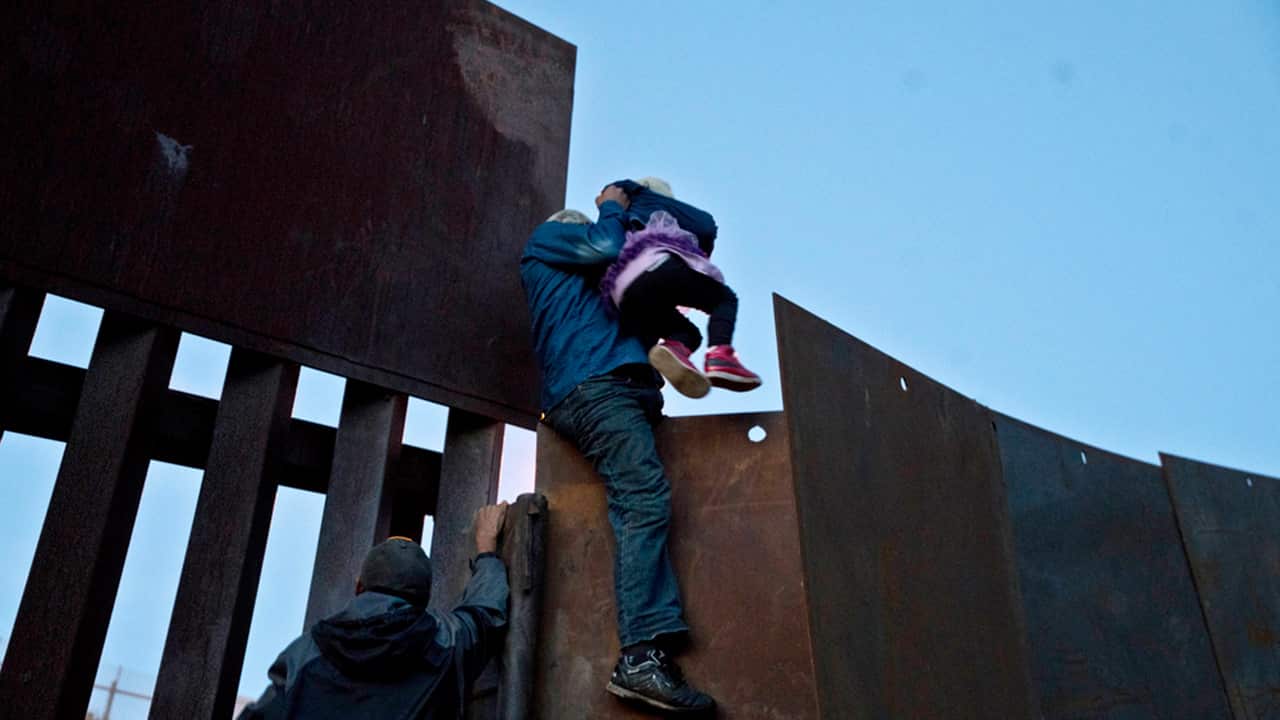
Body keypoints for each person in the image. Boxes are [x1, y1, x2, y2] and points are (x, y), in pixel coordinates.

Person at [521, 186, 716, 713]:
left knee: (642, 497)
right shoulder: (547, 240)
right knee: (642, 499)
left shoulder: (589, 294)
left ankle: (649, 650)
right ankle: (639, 657)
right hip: (594, 387)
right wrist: (612, 206)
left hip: (615, 386)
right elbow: (604, 246)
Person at [237, 503, 510, 720]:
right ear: (424, 598)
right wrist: (486, 549)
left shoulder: (306, 652)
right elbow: (486, 613)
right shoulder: (445, 641)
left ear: (359, 586)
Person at [597, 176, 761, 398]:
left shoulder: (618, 218)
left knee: (688, 333)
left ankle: (673, 348)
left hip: (622, 295)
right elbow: (705, 226)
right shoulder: (652, 202)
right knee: (723, 299)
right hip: (656, 266)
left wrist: (606, 202)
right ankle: (720, 356)